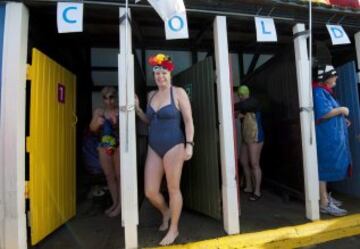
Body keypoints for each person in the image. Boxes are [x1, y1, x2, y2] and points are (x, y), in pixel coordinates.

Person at [135, 53, 194, 246]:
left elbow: (188, 121)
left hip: (174, 145)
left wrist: (190, 144)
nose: (160, 76)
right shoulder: (151, 95)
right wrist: (137, 109)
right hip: (154, 146)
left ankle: (174, 229)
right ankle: (166, 211)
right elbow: (149, 121)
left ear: (170, 73)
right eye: (157, 73)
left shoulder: (178, 93)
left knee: (173, 188)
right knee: (150, 191)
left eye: (163, 72)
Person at [313, 64, 351, 216]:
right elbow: (323, 113)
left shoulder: (324, 91)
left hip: (329, 137)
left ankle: (325, 197)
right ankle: (323, 202)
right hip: (325, 138)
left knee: (326, 168)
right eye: (334, 75)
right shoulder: (318, 92)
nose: (336, 77)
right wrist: (342, 110)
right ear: (326, 78)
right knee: (323, 168)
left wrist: (342, 120)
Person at [89, 86, 121, 217]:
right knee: (109, 176)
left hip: (118, 146)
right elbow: (92, 129)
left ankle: (120, 206)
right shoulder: (99, 112)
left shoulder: (120, 110)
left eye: (111, 97)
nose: (109, 101)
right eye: (105, 98)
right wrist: (97, 123)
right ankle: (115, 203)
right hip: (104, 146)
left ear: (116, 97)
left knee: (120, 177)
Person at [235, 85, 264, 201]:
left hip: (255, 136)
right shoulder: (245, 104)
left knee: (254, 163)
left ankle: (257, 191)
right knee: (243, 161)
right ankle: (249, 186)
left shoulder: (253, 102)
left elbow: (244, 105)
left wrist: (231, 106)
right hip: (246, 137)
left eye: (241, 95)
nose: (240, 97)